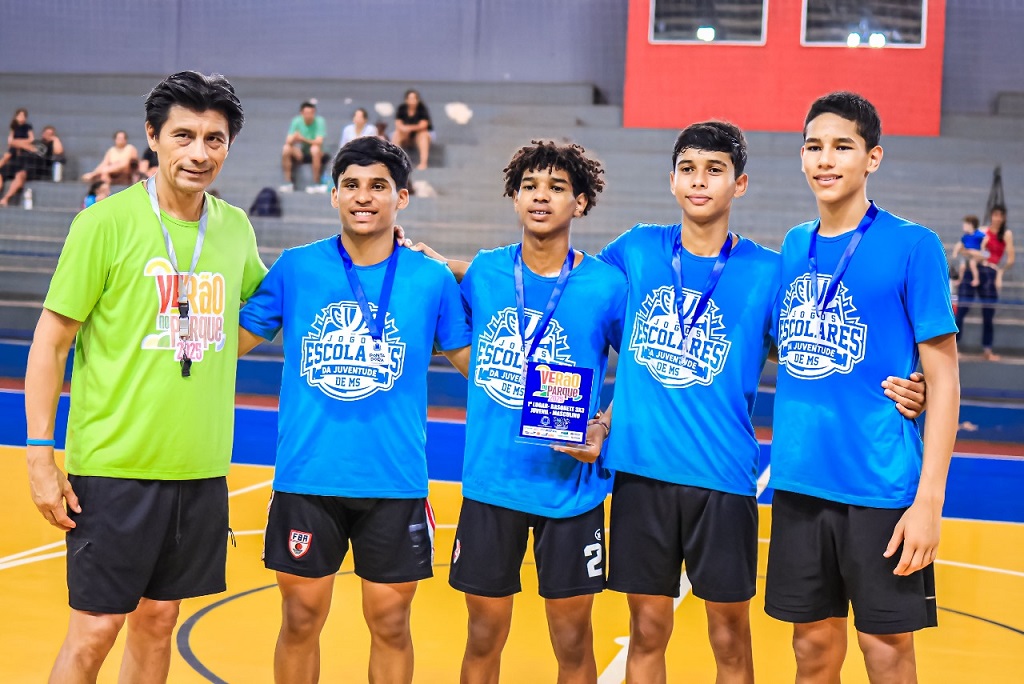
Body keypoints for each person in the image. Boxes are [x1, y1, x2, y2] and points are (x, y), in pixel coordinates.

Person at [24, 70, 265, 684]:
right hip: (114, 468)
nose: (199, 153)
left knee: (159, 622)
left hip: (201, 468)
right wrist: (39, 456)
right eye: (183, 136)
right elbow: (51, 342)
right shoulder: (104, 223)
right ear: (153, 138)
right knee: (96, 629)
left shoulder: (235, 227)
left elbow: (262, 311)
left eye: (214, 139)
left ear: (228, 146)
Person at [238, 135, 470, 684]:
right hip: (308, 477)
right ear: (334, 196)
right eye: (351, 186)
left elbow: (477, 365)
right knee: (299, 619)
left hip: (395, 481)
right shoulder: (296, 268)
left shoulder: (430, 278)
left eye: (378, 186)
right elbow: (224, 345)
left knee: (390, 623)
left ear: (402, 198)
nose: (364, 197)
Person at [413, 140, 627, 682]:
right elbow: (443, 278)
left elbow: (642, 374)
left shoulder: (606, 285)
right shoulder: (486, 272)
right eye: (530, 185)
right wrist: (421, 258)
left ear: (580, 203)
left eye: (557, 188)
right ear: (514, 197)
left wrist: (603, 424)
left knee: (573, 641)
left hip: (570, 490)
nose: (541, 197)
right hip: (492, 486)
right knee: (482, 638)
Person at [766, 91, 960, 683]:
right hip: (800, 483)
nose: (825, 159)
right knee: (812, 652)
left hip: (879, 488)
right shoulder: (794, 245)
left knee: (886, 652)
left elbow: (946, 378)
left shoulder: (913, 245)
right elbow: (789, 343)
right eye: (813, 147)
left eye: (842, 147)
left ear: (872, 157)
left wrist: (929, 502)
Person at [958, 204, 1016, 360]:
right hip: (975, 268)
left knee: (988, 313)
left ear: (1003, 217)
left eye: (1000, 215)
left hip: (991, 271)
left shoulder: (1006, 234)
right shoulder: (982, 231)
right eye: (995, 215)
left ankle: (987, 350)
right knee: (961, 309)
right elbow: (965, 248)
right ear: (991, 215)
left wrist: (1000, 273)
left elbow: (1010, 259)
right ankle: (953, 348)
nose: (997, 218)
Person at [280, 100, 327, 194]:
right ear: (301, 113)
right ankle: (288, 183)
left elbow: (319, 141)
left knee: (315, 149)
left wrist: (302, 138)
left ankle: (316, 183)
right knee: (286, 148)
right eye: (306, 113)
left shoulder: (320, 121)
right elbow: (288, 140)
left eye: (311, 113)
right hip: (300, 152)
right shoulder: (296, 121)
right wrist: (294, 138)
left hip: (316, 152)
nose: (309, 115)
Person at [0, 108, 36, 206]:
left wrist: (18, 143)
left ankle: (5, 199)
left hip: (24, 157)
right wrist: (19, 143)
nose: (21, 118)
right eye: (19, 115)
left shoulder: (28, 127)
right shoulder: (13, 127)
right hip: (14, 155)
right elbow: (10, 142)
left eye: (23, 116)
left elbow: (31, 140)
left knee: (20, 176)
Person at [392, 89, 433, 170]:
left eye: (414, 98)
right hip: (406, 135)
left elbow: (424, 125)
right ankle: (394, 162)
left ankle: (423, 163)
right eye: (410, 98)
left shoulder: (422, 108)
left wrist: (409, 128)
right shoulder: (402, 108)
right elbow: (398, 124)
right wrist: (404, 130)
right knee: (396, 134)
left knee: (423, 135)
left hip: (419, 135)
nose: (412, 101)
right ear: (406, 100)